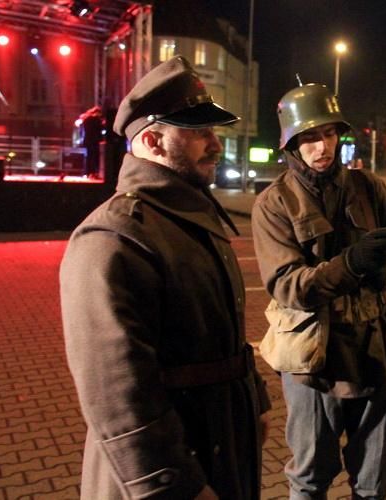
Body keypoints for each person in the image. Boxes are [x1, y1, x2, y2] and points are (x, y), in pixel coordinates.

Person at [60, 56, 271, 500]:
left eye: (212, 131)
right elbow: (117, 395)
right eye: (198, 132)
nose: (215, 145)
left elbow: (223, 334)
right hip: (171, 475)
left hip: (220, 446)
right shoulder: (113, 237)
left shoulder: (188, 219)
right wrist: (175, 486)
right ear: (153, 140)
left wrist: (255, 399)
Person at [251, 83, 386, 499]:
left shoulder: (370, 188)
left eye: (329, 133)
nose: (322, 146)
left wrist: (385, 273)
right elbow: (288, 286)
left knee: (375, 479)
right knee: (310, 476)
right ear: (291, 143)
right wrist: (351, 265)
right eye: (310, 136)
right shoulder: (275, 203)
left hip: (375, 350)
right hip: (314, 357)